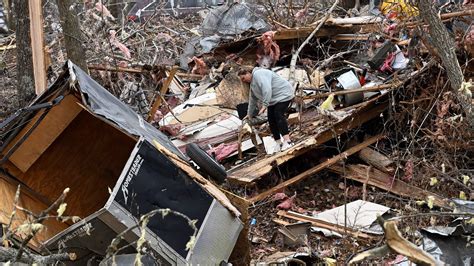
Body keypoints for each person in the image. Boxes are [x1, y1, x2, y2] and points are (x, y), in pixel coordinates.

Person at [238, 67, 295, 152]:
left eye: (243, 78)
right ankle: (278, 142)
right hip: (274, 100)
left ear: (247, 73)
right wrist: (249, 114)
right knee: (271, 120)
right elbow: (252, 99)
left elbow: (267, 89)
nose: (243, 81)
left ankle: (288, 141)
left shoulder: (258, 74)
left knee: (278, 114)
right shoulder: (253, 84)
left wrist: (265, 105)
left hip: (284, 94)